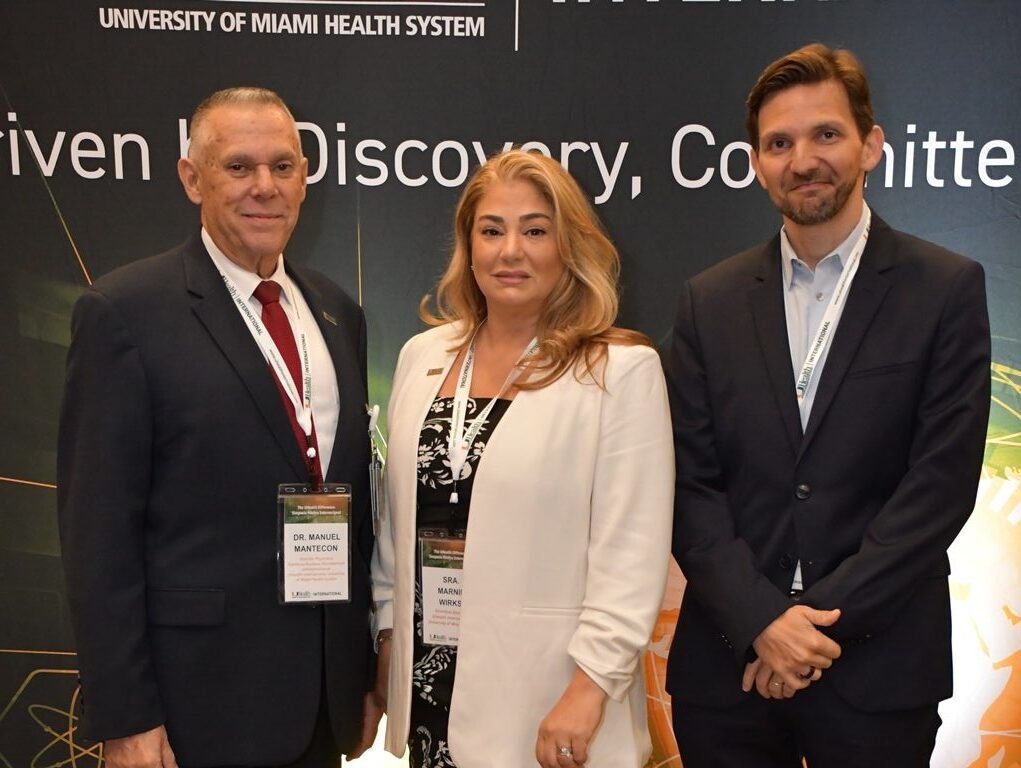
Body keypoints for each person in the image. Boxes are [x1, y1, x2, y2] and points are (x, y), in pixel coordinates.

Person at [665, 43, 990, 767]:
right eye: (779, 143)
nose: (802, 159)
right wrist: (760, 621)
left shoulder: (944, 289)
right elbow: (689, 484)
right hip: (729, 668)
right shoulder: (708, 302)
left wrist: (808, 632)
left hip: (878, 670)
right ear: (756, 163)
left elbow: (938, 488)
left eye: (826, 135)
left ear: (870, 146)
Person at [57, 87, 380, 768]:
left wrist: (359, 672)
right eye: (238, 166)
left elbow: (350, 507)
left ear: (305, 177)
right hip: (193, 708)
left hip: (322, 707)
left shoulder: (336, 312)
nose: (265, 186)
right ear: (191, 177)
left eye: (282, 166)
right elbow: (98, 536)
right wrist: (126, 715)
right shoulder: (125, 311)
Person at [369, 149, 674, 768]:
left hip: (549, 700)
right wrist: (386, 643)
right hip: (430, 686)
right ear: (468, 246)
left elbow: (632, 554)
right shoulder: (422, 355)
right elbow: (395, 531)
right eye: (492, 231)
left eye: (535, 231)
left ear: (569, 246)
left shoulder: (619, 370)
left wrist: (590, 688)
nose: (511, 251)